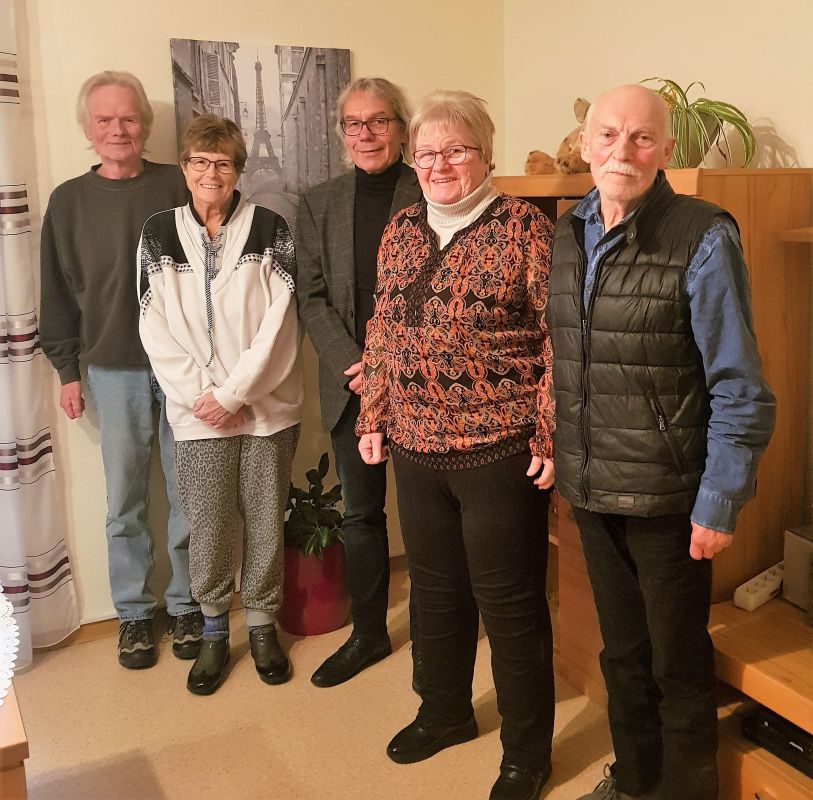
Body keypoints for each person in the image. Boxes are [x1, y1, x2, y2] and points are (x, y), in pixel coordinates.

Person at [546, 85, 776, 800]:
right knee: (621, 655)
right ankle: (633, 777)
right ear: (584, 145)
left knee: (676, 664)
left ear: (665, 151)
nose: (622, 150)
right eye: (608, 135)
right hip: (590, 489)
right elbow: (568, 362)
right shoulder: (565, 232)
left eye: (641, 138)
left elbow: (739, 385)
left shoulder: (703, 234)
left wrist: (718, 499)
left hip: (667, 496)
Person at [357, 90, 556, 800]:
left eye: (456, 149)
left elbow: (559, 339)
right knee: (435, 598)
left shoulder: (524, 229)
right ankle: (441, 713)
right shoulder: (403, 227)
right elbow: (383, 328)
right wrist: (372, 416)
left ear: (485, 151)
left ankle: (526, 751)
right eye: (428, 153)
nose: (440, 164)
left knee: (509, 605)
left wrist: (549, 430)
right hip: (413, 448)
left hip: (497, 450)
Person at [40, 71, 202, 670]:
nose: (118, 129)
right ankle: (134, 614)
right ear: (88, 130)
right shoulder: (67, 201)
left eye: (129, 118)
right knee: (124, 500)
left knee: (189, 495)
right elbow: (55, 291)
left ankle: (187, 603)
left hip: (184, 367)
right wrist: (67, 370)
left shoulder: (177, 186)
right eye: (105, 120)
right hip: (111, 368)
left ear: (146, 126)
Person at [138, 114, 302, 696]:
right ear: (185, 168)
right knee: (207, 525)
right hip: (195, 415)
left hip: (266, 409)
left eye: (223, 163)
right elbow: (153, 323)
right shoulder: (158, 234)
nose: (211, 172)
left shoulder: (271, 229)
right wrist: (204, 398)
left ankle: (261, 626)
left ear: (238, 171)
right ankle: (213, 631)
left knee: (263, 519)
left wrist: (235, 393)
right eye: (200, 162)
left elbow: (281, 323)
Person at [295, 77, 422, 689]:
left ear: (400, 127)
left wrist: (396, 365)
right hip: (351, 385)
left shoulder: (432, 188)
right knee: (363, 515)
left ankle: (435, 623)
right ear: (341, 133)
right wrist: (358, 364)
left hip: (427, 384)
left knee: (429, 517)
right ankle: (369, 633)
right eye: (353, 124)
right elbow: (311, 298)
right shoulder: (318, 203)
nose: (366, 134)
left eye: (378, 122)